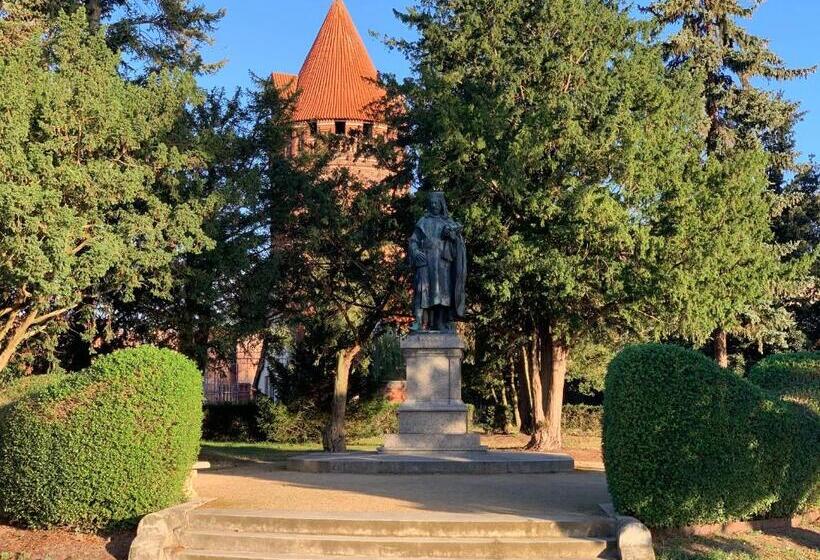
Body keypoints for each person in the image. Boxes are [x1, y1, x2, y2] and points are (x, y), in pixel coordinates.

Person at [409, 192, 466, 331]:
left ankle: (441, 322)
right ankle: (421, 323)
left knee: (442, 293)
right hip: (426, 261)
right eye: (432, 203)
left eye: (437, 203)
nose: (434, 205)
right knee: (423, 292)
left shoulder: (448, 223)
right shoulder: (423, 222)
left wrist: (452, 237)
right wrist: (416, 252)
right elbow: (413, 241)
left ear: (441, 205)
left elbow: (458, 244)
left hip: (443, 263)